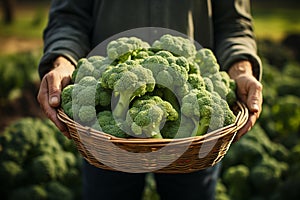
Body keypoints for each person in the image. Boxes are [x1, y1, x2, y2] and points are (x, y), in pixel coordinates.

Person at [37, 0, 263, 199]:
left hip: (195, 143)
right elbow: (67, 18)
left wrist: (241, 69)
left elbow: (234, 24)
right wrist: (63, 63)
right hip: (103, 138)